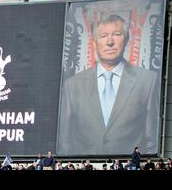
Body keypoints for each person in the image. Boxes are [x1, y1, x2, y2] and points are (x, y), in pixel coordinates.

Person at [58, 14, 159, 155]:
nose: (110, 42)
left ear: (127, 39)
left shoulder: (147, 80)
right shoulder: (73, 85)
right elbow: (64, 140)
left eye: (117, 34)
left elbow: (152, 138)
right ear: (95, 42)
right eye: (104, 36)